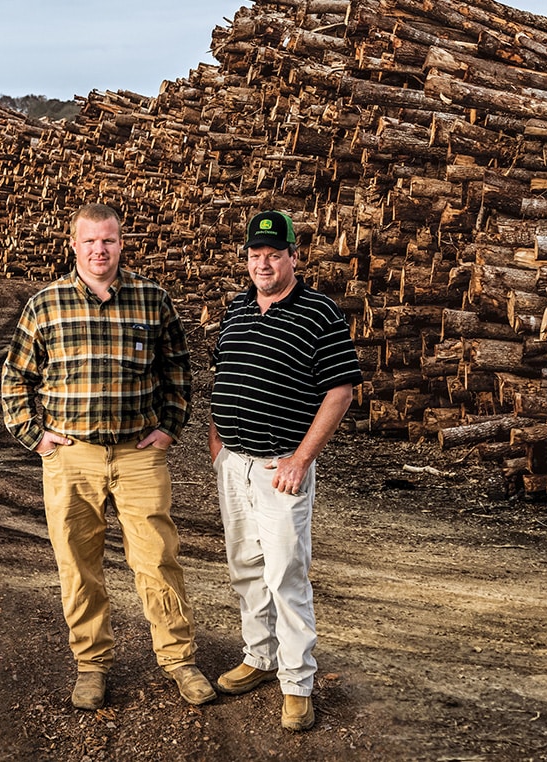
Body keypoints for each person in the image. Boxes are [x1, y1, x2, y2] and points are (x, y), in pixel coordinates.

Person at [1, 202, 216, 710]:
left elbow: (179, 371)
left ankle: (179, 659)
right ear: (73, 245)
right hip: (72, 456)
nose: (100, 250)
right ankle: (91, 665)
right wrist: (34, 436)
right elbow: (15, 378)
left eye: (109, 240)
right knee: (78, 564)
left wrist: (169, 428)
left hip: (139, 455)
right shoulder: (45, 304)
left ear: (122, 243)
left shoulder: (152, 300)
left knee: (158, 560)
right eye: (90, 241)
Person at [208, 210, 362, 731]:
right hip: (235, 462)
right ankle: (260, 655)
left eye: (274, 254)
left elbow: (340, 390)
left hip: (281, 467)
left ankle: (297, 682)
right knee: (246, 567)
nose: (263, 263)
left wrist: (301, 458)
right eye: (255, 255)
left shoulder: (319, 312)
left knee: (286, 575)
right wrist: (218, 444)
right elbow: (223, 376)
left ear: (294, 256)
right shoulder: (236, 309)